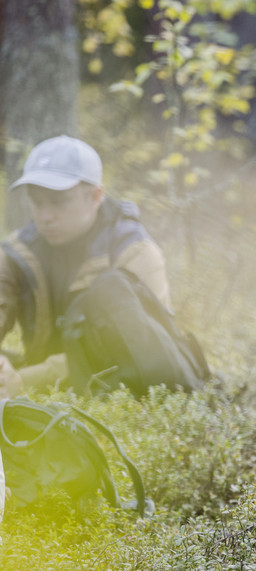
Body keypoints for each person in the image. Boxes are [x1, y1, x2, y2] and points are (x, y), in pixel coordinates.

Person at [0, 135, 206, 397]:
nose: (45, 216)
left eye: (58, 201)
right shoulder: (18, 251)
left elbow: (143, 355)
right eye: (37, 202)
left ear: (96, 196)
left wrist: (25, 381)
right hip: (40, 384)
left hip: (121, 392)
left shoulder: (134, 253)